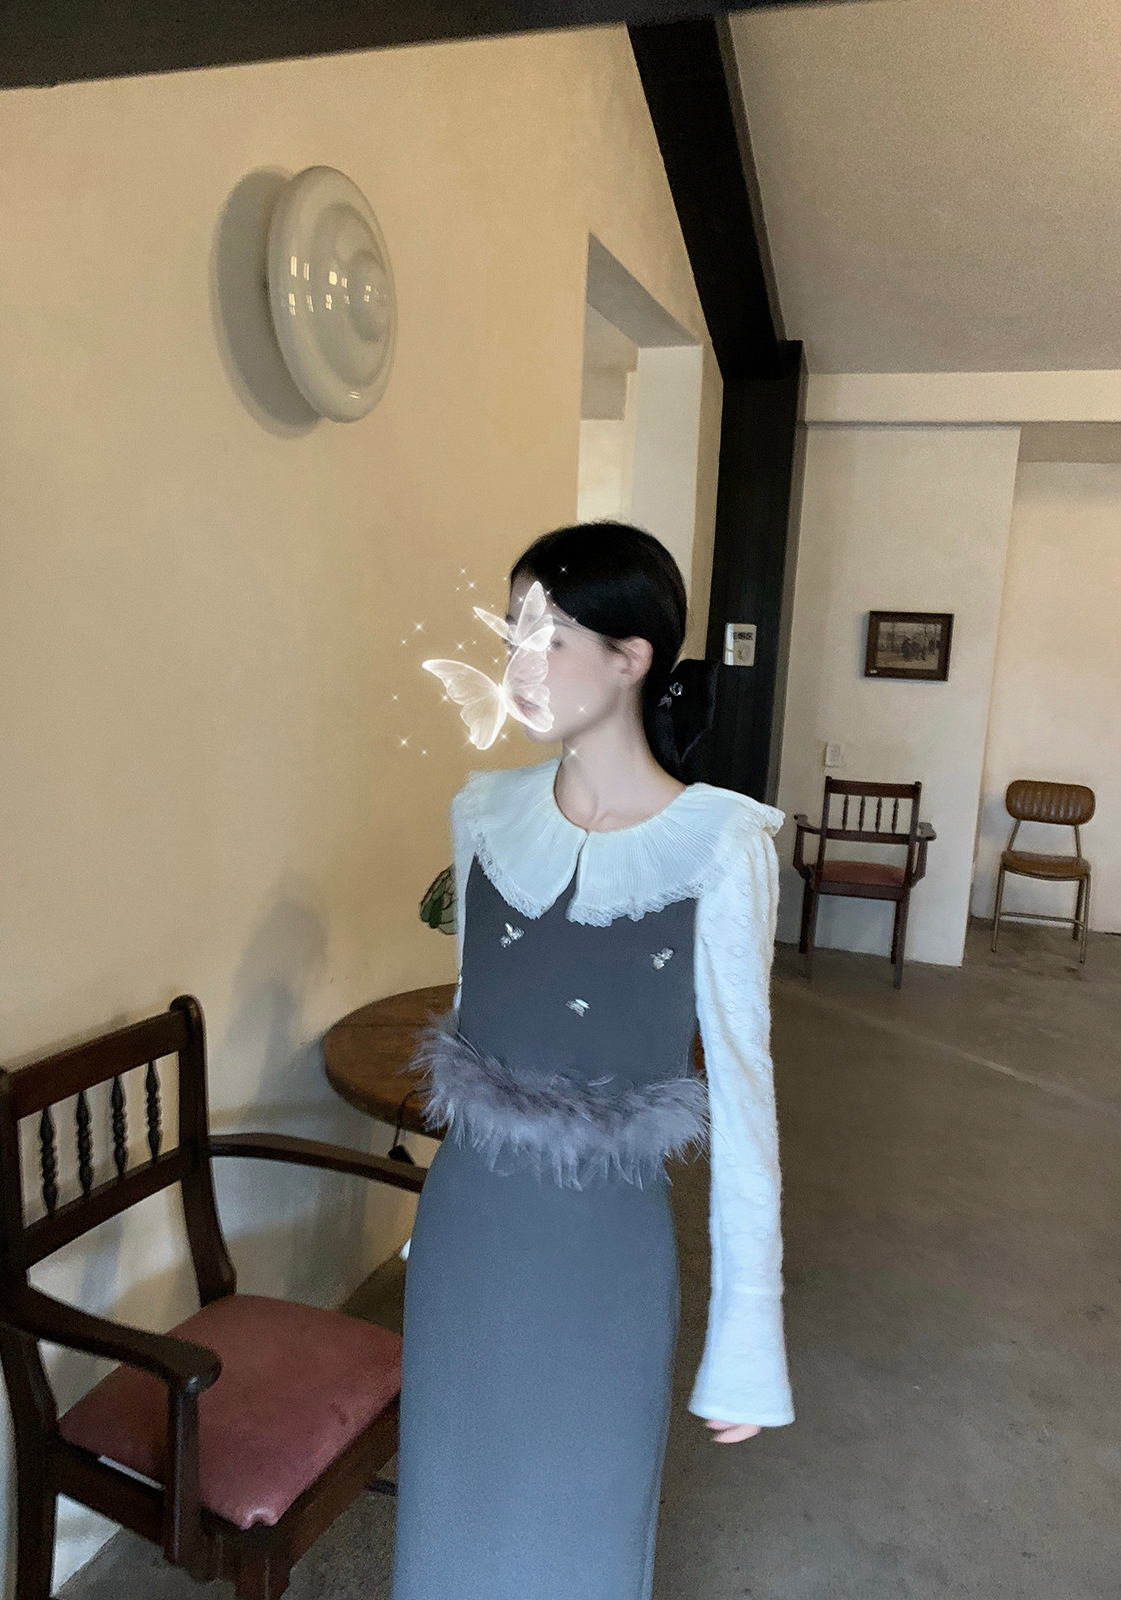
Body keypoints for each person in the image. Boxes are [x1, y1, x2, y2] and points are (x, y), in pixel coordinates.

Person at [391, 521, 794, 1600]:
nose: (519, 664)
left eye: (549, 637)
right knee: (449, 1516)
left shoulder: (721, 844)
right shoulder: (483, 813)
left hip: (605, 1257)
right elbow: (477, 1017)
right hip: (468, 1238)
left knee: (582, 1535)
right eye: (512, 635)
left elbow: (744, 1100)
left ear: (631, 658)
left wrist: (746, 1339)